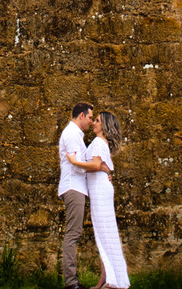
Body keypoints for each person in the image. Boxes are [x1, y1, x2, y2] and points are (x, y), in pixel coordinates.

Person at [67, 111, 129, 289]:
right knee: (105, 235)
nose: (94, 123)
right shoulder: (102, 143)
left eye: (97, 121)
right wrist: (103, 169)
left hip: (100, 191)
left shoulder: (97, 142)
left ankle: (112, 281)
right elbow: (100, 166)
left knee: (105, 235)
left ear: (105, 126)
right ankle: (107, 280)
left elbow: (95, 165)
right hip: (100, 189)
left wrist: (74, 162)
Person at [58, 102, 94, 289]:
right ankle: (71, 283)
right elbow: (76, 163)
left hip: (77, 187)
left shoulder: (75, 134)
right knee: (73, 233)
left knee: (74, 233)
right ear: (81, 116)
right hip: (74, 187)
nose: (90, 122)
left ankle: (72, 281)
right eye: (89, 117)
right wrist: (98, 167)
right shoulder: (72, 134)